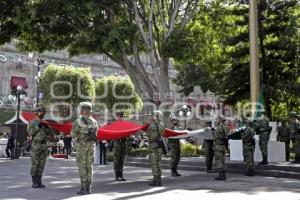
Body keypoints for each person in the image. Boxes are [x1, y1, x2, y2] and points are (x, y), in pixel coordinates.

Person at [71, 102, 98, 195]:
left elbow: (73, 134)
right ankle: (89, 188)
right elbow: (96, 134)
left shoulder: (78, 120)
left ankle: (83, 188)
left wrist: (75, 139)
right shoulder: (94, 121)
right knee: (89, 166)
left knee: (82, 166)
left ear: (83, 110)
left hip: (82, 146)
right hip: (91, 146)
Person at [27, 107, 58, 188]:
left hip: (44, 146)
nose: (43, 113)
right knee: (35, 164)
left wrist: (48, 128)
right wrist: (38, 126)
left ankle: (39, 181)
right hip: (35, 145)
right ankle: (34, 182)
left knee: (42, 164)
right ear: (36, 113)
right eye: (41, 112)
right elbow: (30, 132)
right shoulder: (32, 122)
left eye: (43, 112)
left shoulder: (45, 123)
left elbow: (52, 134)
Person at [147, 110, 165, 186]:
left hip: (153, 145)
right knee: (159, 162)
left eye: (153, 115)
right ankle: (159, 179)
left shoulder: (152, 125)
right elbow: (163, 134)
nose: (152, 116)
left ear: (157, 116)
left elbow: (149, 135)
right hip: (159, 146)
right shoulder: (162, 125)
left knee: (153, 163)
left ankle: (155, 180)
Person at [113, 112, 127, 181]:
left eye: (121, 116)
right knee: (116, 160)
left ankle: (121, 175)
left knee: (122, 160)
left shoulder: (124, 124)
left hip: (123, 143)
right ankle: (117, 176)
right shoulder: (114, 124)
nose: (120, 118)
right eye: (118, 116)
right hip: (117, 143)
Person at [214, 116, 228, 181]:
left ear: (220, 120)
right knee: (223, 161)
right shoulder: (225, 127)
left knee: (219, 161)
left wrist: (213, 132)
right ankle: (223, 175)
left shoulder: (219, 128)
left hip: (218, 146)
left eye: (217, 120)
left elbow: (216, 137)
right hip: (223, 146)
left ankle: (221, 175)